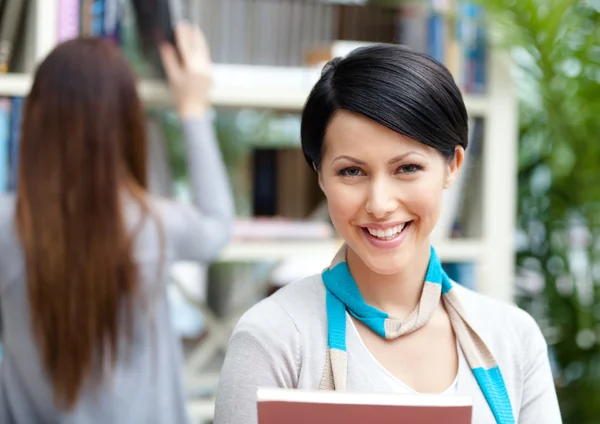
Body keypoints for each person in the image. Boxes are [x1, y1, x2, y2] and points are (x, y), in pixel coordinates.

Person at [214, 45, 562, 424]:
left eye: (407, 168)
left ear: (452, 166)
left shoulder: (513, 339)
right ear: (320, 175)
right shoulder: (273, 339)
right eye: (351, 171)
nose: (379, 204)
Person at [0, 22, 234, 423]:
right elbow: (216, 226)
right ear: (127, 125)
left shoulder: (6, 225)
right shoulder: (154, 225)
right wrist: (193, 108)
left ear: (35, 121)